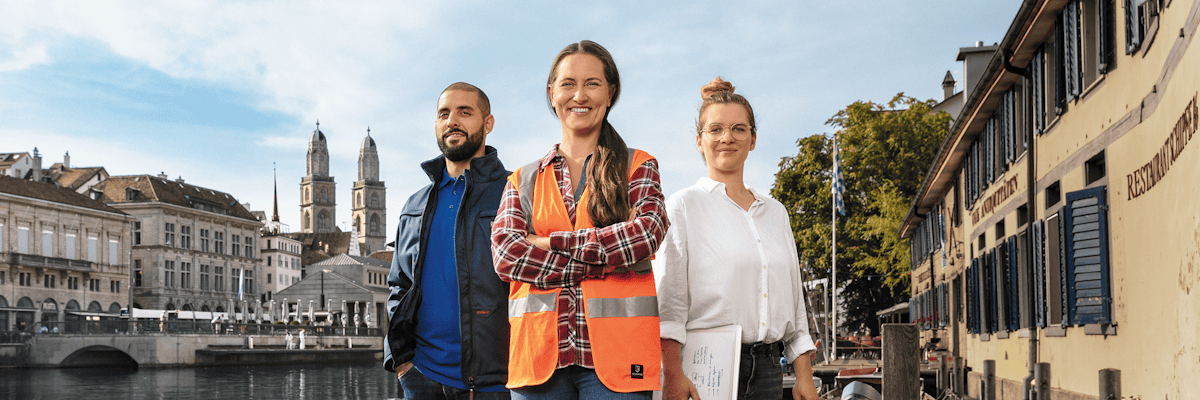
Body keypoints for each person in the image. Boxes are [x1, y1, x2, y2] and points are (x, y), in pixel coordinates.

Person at [491, 40, 668, 400]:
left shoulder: (638, 165)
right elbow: (507, 255)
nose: (579, 95)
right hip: (538, 363)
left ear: (610, 92)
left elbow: (645, 236)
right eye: (568, 83)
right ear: (552, 93)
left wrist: (550, 242)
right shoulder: (522, 179)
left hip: (621, 365)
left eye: (592, 83)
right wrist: (606, 257)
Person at [654, 78, 820, 400]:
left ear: (753, 139)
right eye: (715, 129)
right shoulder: (682, 206)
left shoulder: (776, 213)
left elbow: (793, 305)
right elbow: (669, 306)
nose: (727, 138)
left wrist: (804, 376)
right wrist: (673, 375)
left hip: (771, 370)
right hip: (705, 370)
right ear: (699, 141)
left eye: (739, 129)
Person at [385, 82, 512, 399]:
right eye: (444, 113)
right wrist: (401, 362)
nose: (452, 121)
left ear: (488, 123)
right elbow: (399, 286)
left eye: (464, 112)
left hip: (495, 382)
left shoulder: (517, 191)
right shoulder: (414, 205)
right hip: (420, 377)